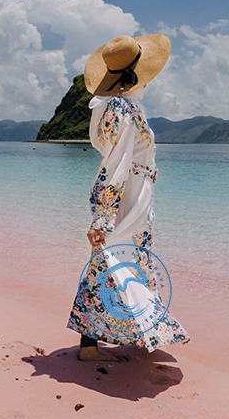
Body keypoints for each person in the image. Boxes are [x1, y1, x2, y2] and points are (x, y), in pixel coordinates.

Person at [68, 33, 189, 361]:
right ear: (134, 76)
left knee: (115, 262)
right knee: (113, 261)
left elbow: (113, 155)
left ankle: (107, 338)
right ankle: (94, 344)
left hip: (133, 198)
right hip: (126, 201)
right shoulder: (123, 110)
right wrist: (102, 218)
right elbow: (116, 164)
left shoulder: (114, 108)